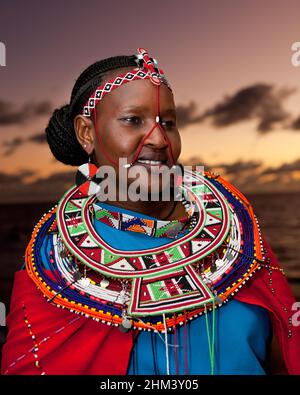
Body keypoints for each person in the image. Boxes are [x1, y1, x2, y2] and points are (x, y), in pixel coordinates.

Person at [1, 48, 299, 375]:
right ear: (87, 133)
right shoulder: (52, 266)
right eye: (133, 120)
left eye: (168, 122)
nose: (159, 139)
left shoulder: (235, 228)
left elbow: (283, 351)